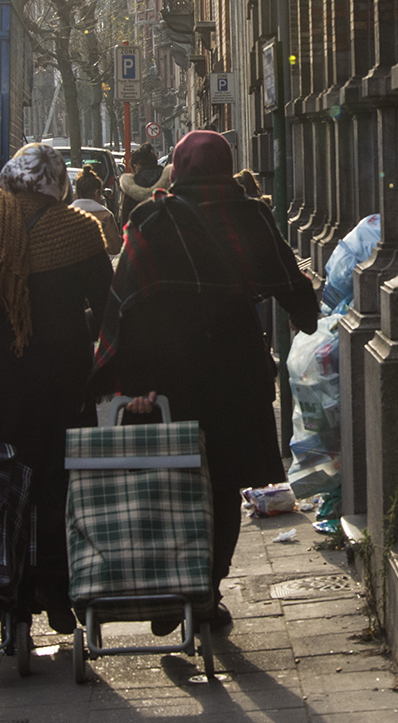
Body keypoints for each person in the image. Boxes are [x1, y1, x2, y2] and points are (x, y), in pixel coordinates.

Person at [88, 130, 319, 630]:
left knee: (173, 480)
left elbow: (123, 302)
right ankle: (207, 591)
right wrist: (305, 306)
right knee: (223, 482)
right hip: (233, 373)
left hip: (167, 375)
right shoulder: (249, 213)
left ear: (180, 168)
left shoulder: (151, 217)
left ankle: (174, 588)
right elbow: (295, 290)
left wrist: (125, 378)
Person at [0, 142, 113, 634]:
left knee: (1, 482)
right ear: (57, 183)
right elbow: (110, 312)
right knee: (59, 484)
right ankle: (55, 587)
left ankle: (9, 590)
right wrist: (104, 369)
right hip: (62, 381)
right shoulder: (79, 231)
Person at [71, 164, 122, 254]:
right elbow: (114, 248)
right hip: (97, 265)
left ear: (78, 192)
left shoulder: (67, 215)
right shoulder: (106, 216)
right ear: (96, 192)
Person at [117, 143, 163, 228]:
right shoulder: (168, 179)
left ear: (136, 167)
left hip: (139, 236)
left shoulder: (131, 185)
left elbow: (125, 219)